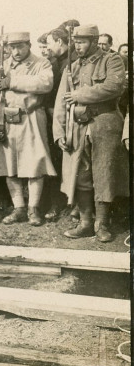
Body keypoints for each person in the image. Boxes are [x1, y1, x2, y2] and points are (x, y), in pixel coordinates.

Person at [53, 24, 127, 242]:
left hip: (104, 122)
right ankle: (85, 222)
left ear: (95, 42)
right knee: (81, 174)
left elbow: (114, 86)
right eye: (76, 41)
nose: (78, 45)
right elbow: (61, 100)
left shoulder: (111, 60)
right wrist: (59, 131)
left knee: (104, 173)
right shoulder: (72, 66)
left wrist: (80, 95)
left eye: (83, 41)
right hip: (78, 125)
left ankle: (102, 224)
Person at [0, 32, 56, 226]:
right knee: (10, 166)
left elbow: (45, 84)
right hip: (7, 121)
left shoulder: (41, 63)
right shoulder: (2, 66)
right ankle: (19, 208)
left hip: (31, 117)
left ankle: (34, 208)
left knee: (35, 165)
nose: (15, 51)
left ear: (29, 45)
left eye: (20, 47)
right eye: (12, 47)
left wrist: (13, 81)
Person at [44, 28, 78, 220]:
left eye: (50, 43)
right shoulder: (56, 61)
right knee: (56, 161)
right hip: (55, 117)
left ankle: (72, 204)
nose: (48, 47)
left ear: (59, 41)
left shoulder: (72, 61)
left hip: (69, 116)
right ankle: (59, 203)